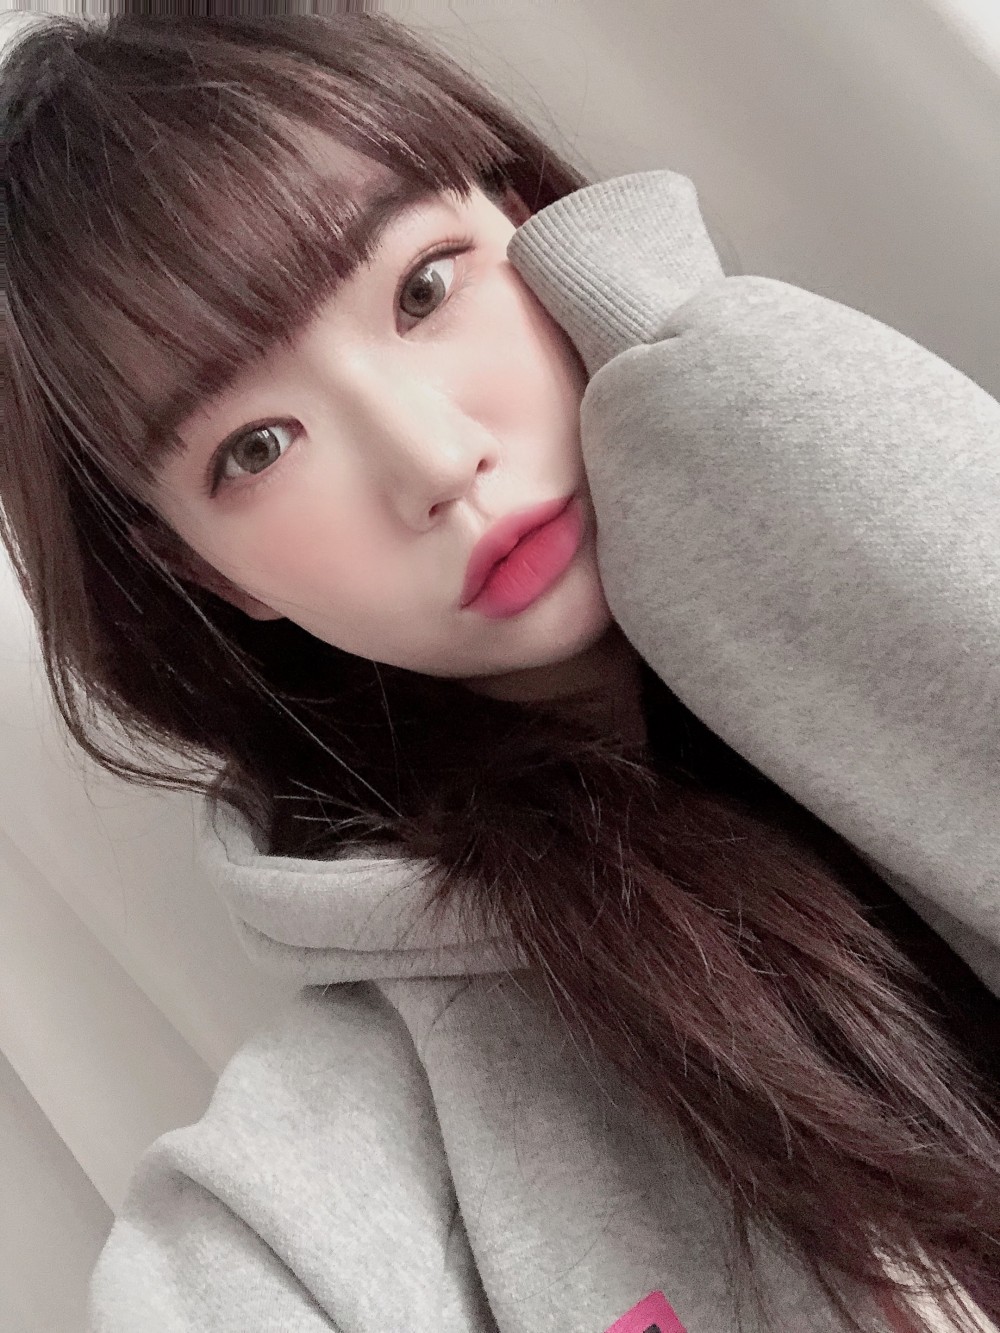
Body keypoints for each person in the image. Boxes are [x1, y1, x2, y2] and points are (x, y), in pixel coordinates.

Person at [2, 12, 998, 1333]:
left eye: (425, 287)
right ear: (209, 573)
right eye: (257, 447)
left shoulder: (905, 512)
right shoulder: (326, 1180)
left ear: (533, 227)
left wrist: (726, 385)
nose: (431, 461)